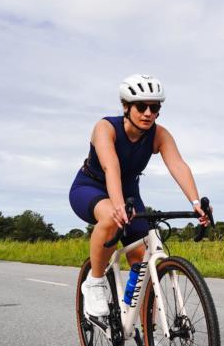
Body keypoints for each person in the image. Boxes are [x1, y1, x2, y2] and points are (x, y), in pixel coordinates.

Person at [68, 74, 210, 319]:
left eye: (153, 108)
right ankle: (95, 281)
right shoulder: (105, 128)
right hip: (91, 187)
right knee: (111, 219)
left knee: (143, 267)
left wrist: (196, 203)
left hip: (129, 194)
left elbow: (178, 165)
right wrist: (119, 206)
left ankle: (145, 330)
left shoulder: (159, 135)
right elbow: (111, 166)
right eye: (141, 106)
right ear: (126, 106)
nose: (147, 113)